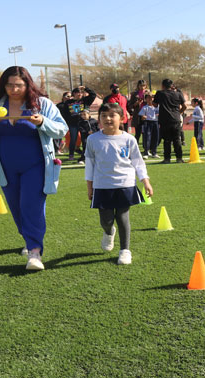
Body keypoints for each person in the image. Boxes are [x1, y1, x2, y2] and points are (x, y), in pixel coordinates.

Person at [0, 66, 68, 270]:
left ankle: (34, 252)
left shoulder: (41, 104)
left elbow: (61, 129)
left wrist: (43, 122)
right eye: (10, 85)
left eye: (19, 85)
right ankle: (29, 239)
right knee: (16, 208)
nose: (14, 89)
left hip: (36, 165)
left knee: (30, 205)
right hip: (5, 167)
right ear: (3, 86)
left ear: (27, 85)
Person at [85, 103, 153, 265]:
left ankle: (125, 250)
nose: (108, 119)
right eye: (104, 116)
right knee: (106, 220)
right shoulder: (93, 139)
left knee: (122, 217)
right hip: (102, 186)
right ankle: (109, 233)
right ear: (99, 119)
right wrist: (90, 186)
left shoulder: (128, 139)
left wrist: (146, 181)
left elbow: (138, 162)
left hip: (125, 183)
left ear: (122, 118)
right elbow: (90, 165)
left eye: (112, 115)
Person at [153, 79, 186, 163]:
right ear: (171, 86)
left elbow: (155, 104)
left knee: (167, 140)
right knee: (177, 139)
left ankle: (167, 159)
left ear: (163, 86)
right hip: (176, 119)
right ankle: (179, 158)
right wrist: (179, 113)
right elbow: (184, 106)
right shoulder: (178, 94)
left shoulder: (160, 93)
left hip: (165, 120)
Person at [62, 85, 97, 161]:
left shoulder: (85, 100)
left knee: (85, 140)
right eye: (78, 92)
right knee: (73, 140)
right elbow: (65, 113)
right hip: (73, 124)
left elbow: (93, 95)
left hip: (84, 124)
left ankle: (86, 155)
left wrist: (86, 88)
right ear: (73, 94)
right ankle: (71, 155)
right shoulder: (68, 102)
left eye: (81, 92)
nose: (80, 94)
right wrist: (68, 122)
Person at [139, 93, 160, 158]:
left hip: (155, 123)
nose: (151, 99)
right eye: (149, 98)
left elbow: (160, 114)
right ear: (146, 99)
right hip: (147, 123)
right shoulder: (145, 107)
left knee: (155, 138)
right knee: (147, 138)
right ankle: (146, 152)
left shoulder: (157, 107)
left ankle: (154, 152)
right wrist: (143, 117)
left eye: (152, 97)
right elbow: (141, 115)